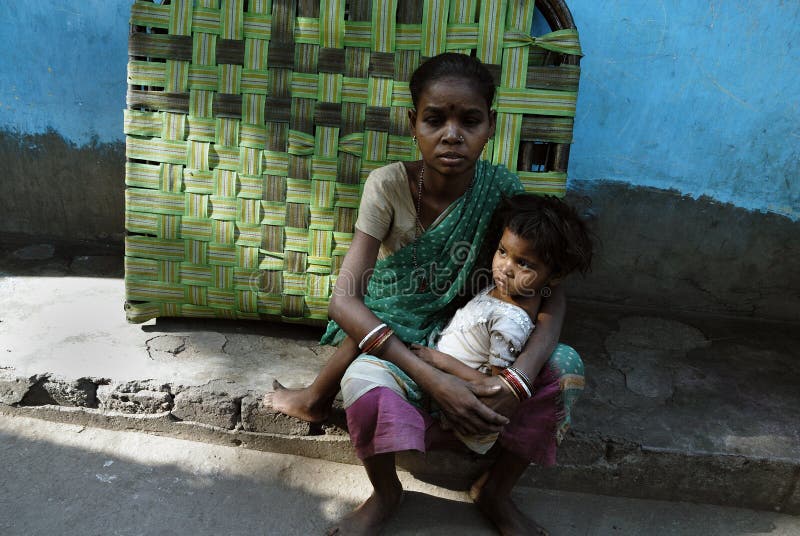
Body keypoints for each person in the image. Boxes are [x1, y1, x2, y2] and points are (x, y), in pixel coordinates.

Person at [263, 52, 585, 536]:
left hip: (473, 335)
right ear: (413, 123)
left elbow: (552, 292)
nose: (452, 134)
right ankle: (387, 492)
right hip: (404, 339)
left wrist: (519, 379)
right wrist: (431, 378)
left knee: (567, 370)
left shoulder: (501, 190)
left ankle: (494, 492)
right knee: (364, 384)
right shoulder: (388, 186)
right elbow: (344, 300)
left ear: (490, 126)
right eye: (435, 119)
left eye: (469, 120)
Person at [408, 193, 593, 456]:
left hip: (457, 397)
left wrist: (440, 361)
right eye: (503, 252)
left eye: (523, 263)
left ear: (555, 276)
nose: (505, 268)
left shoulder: (510, 323)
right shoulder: (505, 290)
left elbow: (494, 387)